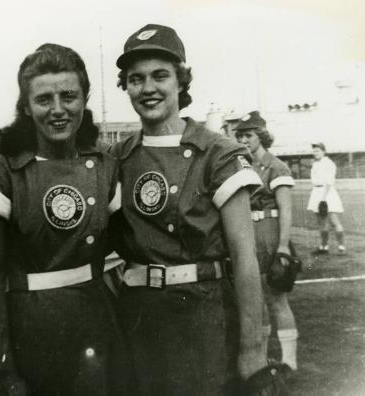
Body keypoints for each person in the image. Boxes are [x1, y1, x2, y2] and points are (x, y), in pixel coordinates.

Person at [110, 24, 271, 395]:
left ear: (181, 81)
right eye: (136, 79)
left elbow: (245, 257)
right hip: (137, 318)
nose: (148, 88)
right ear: (126, 86)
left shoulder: (218, 152)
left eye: (160, 76)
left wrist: (252, 349)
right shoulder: (115, 157)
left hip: (204, 317)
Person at [0, 43, 131, 395]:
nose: (58, 110)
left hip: (97, 322)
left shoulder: (105, 167)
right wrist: (3, 366)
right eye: (43, 99)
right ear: (26, 106)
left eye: (68, 96)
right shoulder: (2, 173)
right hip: (33, 331)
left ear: (84, 99)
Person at [234, 111, 298, 371]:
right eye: (240, 136)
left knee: (276, 298)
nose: (243, 140)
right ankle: (261, 358)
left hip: (270, 232)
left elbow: (286, 209)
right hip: (249, 232)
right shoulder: (241, 166)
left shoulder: (276, 166)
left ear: (260, 135)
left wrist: (282, 246)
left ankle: (289, 361)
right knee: (254, 299)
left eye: (248, 135)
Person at [307, 143, 345, 255]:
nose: (315, 153)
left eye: (318, 151)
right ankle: (324, 246)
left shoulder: (329, 163)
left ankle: (341, 246)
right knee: (322, 223)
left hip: (327, 193)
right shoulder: (315, 164)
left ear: (324, 151)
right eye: (314, 151)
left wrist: (323, 199)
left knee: (333, 220)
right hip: (317, 192)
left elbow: (329, 182)